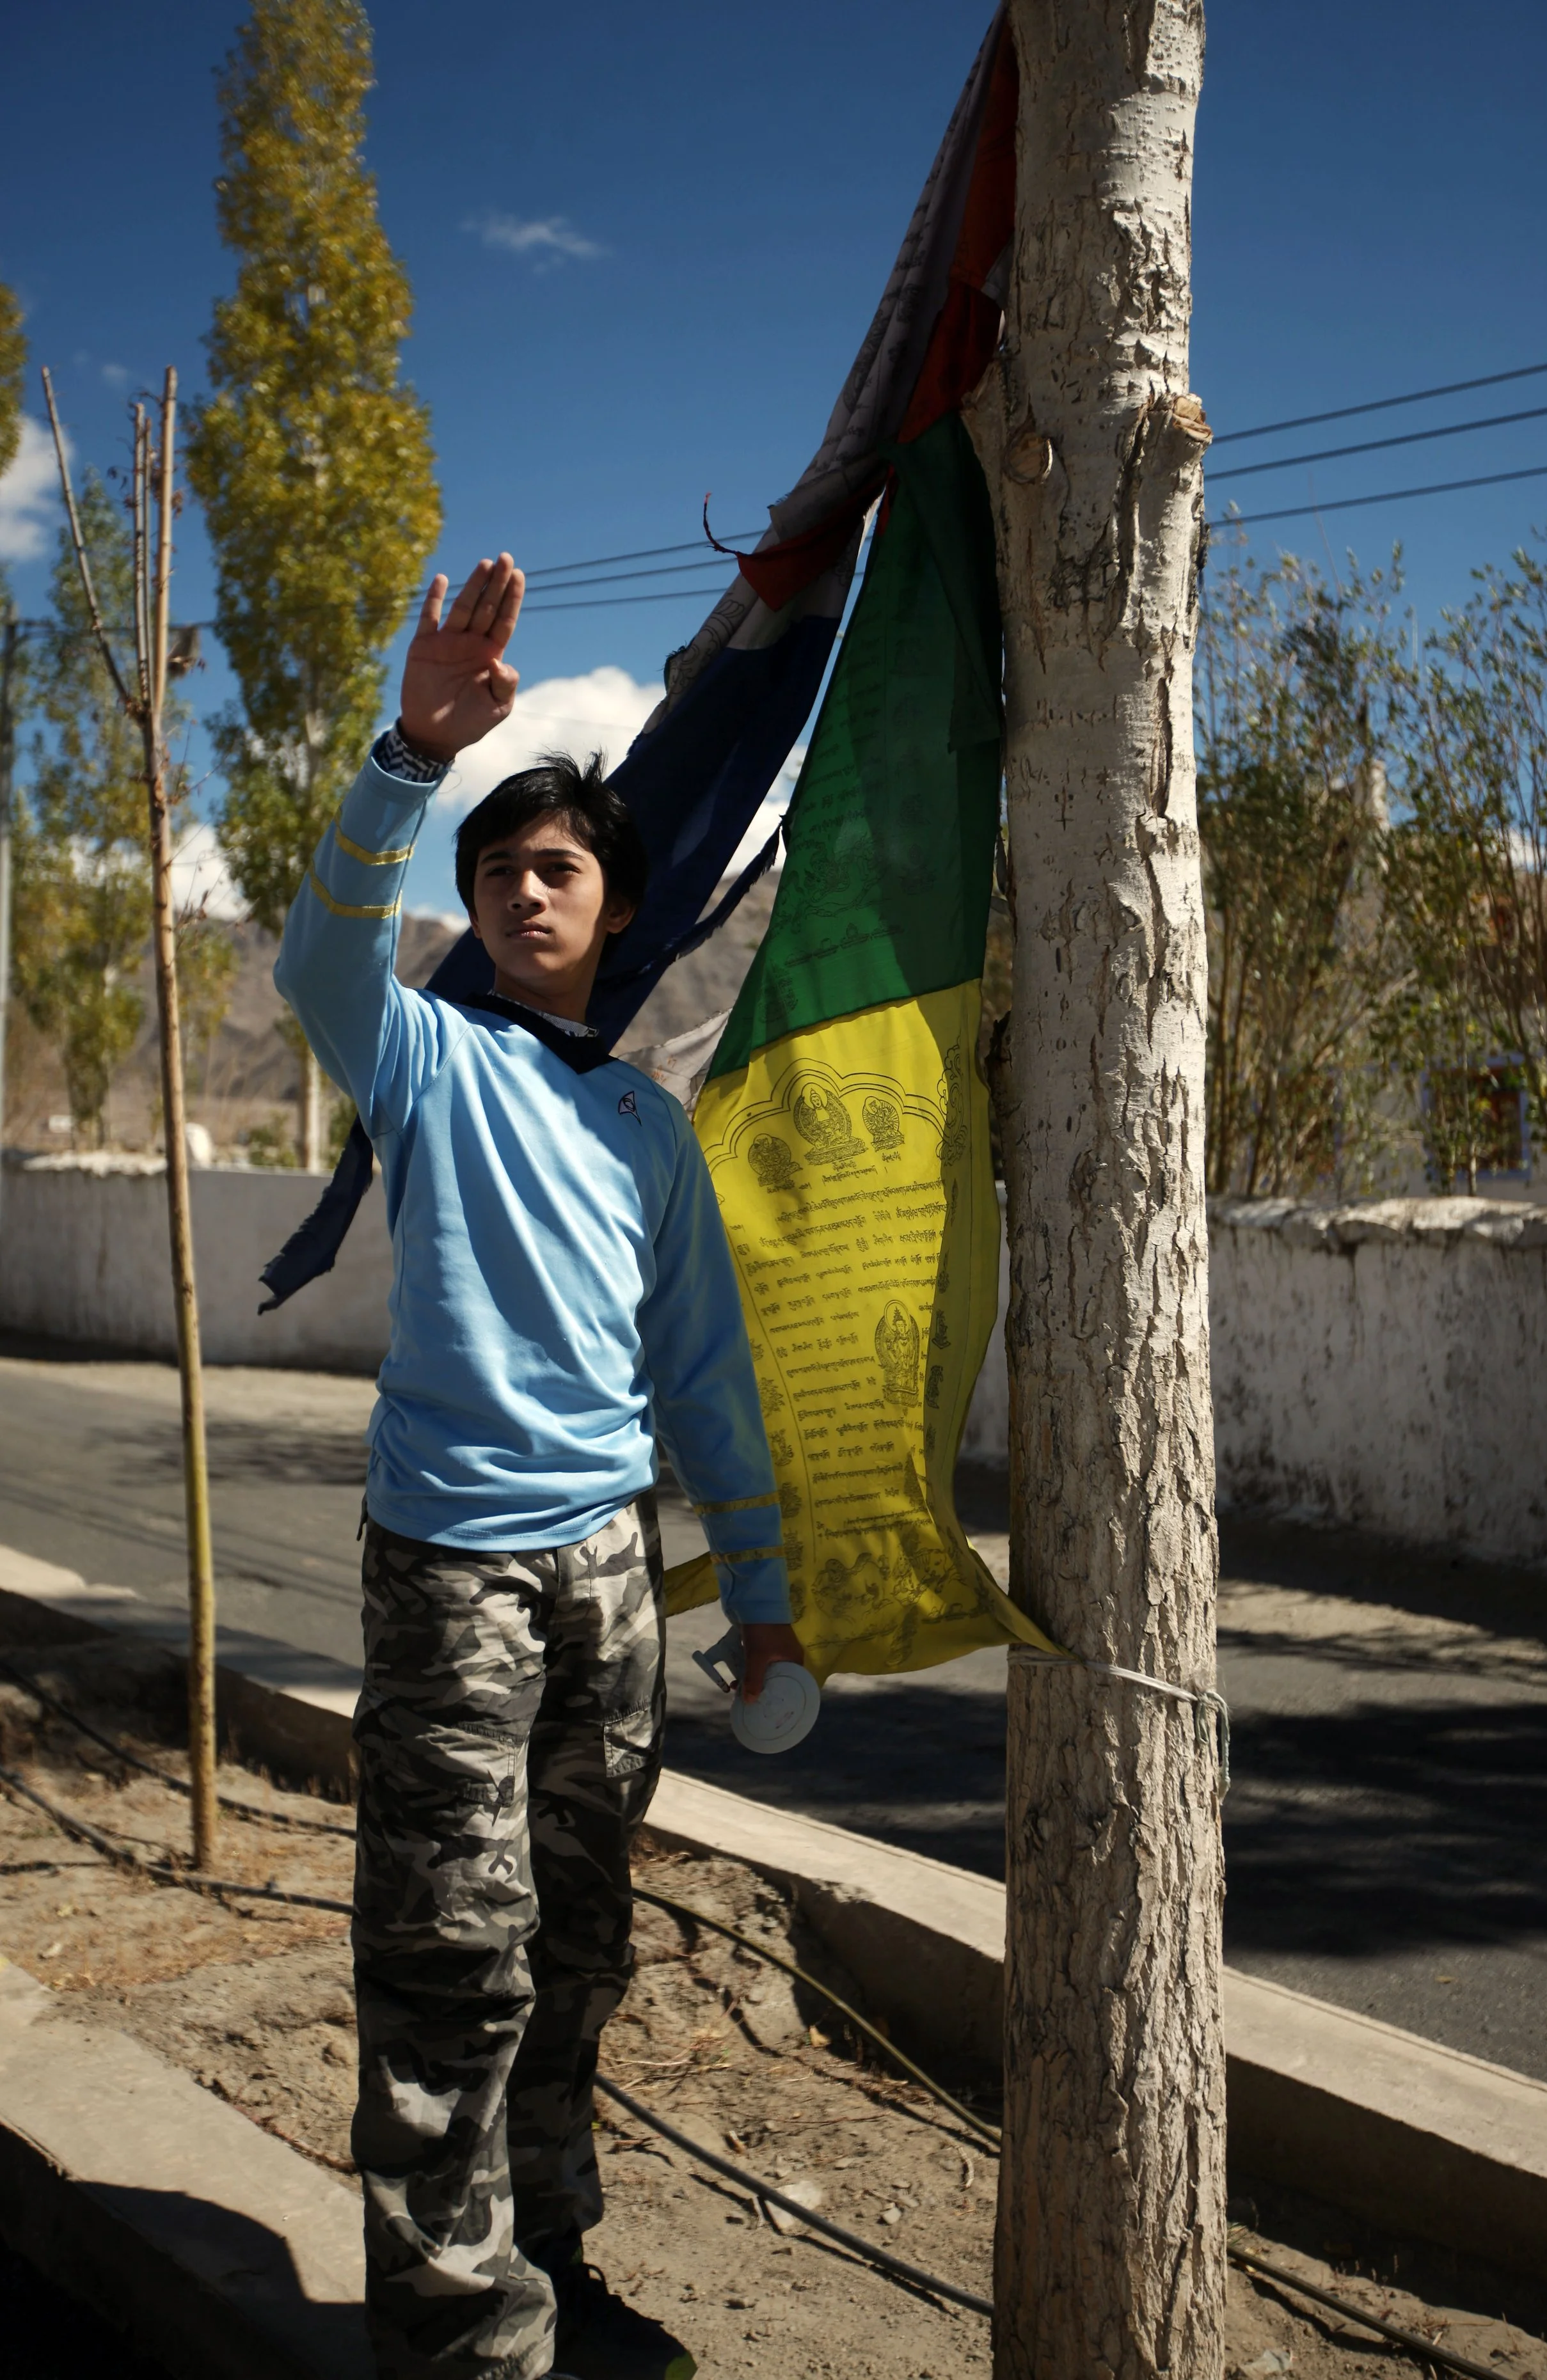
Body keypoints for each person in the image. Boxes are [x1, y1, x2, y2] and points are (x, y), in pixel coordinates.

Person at [275, 553, 802, 2380]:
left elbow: (704, 1373)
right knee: (448, 1958)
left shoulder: (639, 1124)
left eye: (553, 866)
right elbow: (315, 952)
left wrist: (759, 1592)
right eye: (495, 869)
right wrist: (412, 754)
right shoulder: (422, 1058)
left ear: (614, 905)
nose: (518, 889)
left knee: (576, 1945)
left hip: (603, 1578)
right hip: (448, 1578)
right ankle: (451, 2327)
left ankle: (550, 2253)